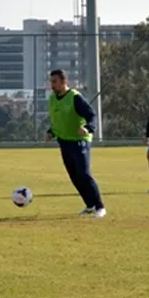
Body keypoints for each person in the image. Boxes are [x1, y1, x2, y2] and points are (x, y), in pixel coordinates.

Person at [45, 69, 106, 218]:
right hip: (64, 142)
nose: (52, 85)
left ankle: (100, 207)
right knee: (74, 176)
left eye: (55, 82)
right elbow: (57, 119)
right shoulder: (52, 99)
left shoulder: (75, 97)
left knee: (84, 174)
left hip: (80, 142)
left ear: (64, 82)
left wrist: (88, 128)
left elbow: (91, 115)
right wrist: (51, 132)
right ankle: (89, 205)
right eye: (51, 81)